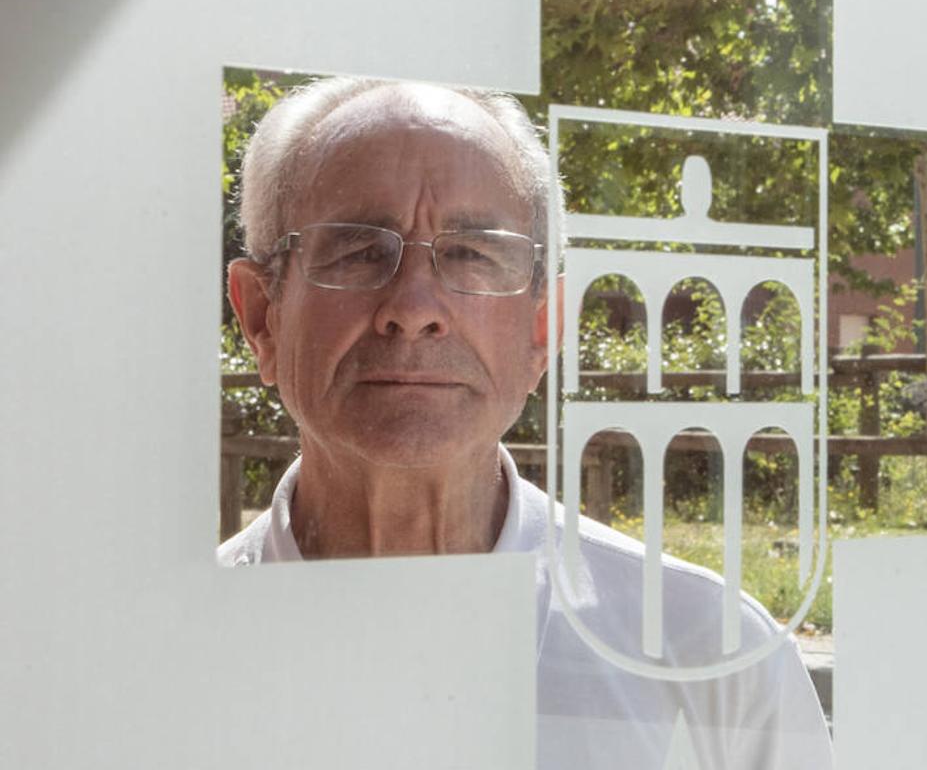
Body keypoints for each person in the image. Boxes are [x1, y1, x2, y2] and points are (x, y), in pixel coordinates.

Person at [219, 77, 833, 769]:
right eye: (359, 251)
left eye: (472, 254)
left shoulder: (708, 657)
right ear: (261, 316)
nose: (415, 306)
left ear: (543, 327)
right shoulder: (160, 650)